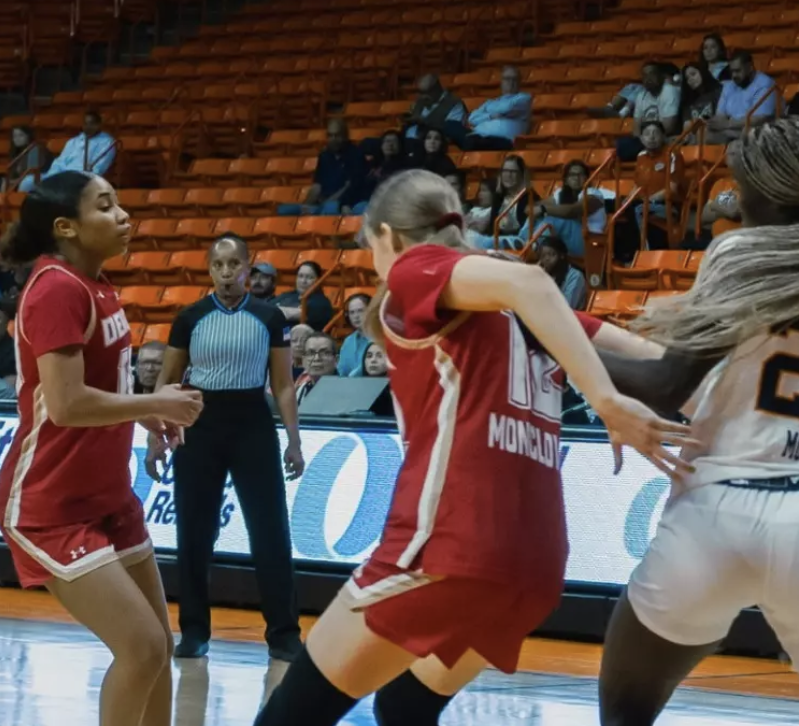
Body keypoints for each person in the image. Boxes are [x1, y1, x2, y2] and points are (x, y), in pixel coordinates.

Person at [251, 168, 684, 726]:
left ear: (388, 235)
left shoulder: (417, 270)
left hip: (448, 544)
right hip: (534, 566)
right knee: (405, 706)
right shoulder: (527, 313)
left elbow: (531, 281)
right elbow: (658, 363)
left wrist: (604, 399)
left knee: (290, 715)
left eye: (371, 247)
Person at [589, 116, 799, 726]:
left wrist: (547, 338)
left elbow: (666, 386)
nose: (734, 202)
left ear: (769, 197)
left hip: (714, 514)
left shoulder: (738, 254)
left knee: (626, 709)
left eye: (741, 190)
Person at [0, 173, 203, 726]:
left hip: (107, 494)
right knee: (142, 648)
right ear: (66, 227)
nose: (123, 216)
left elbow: (105, 385)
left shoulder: (97, 284)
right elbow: (66, 405)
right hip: (51, 505)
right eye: (105, 206)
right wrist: (153, 401)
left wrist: (146, 412)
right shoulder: (57, 289)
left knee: (157, 648)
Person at [152, 234, 305, 660]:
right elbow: (167, 381)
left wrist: (293, 441)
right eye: (218, 265)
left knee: (270, 530)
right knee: (194, 532)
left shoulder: (269, 317)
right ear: (209, 269)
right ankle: (194, 631)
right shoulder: (189, 317)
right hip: (199, 425)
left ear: (247, 268)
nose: (226, 273)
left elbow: (283, 384)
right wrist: (155, 437)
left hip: (253, 423)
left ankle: (284, 634)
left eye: (233, 264)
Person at [448, 66, 532, 150]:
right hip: (479, 137)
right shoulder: (491, 102)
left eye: (514, 79)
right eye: (507, 79)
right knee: (450, 124)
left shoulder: (524, 98)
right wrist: (490, 116)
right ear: (501, 82)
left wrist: (486, 111)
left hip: (504, 141)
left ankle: (466, 142)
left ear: (520, 82)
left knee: (470, 140)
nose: (511, 82)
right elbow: (472, 119)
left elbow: (506, 108)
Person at [43, 111, 117, 181]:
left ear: (99, 125)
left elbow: (98, 169)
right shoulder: (73, 141)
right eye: (85, 124)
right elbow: (59, 163)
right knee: (36, 179)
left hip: (82, 180)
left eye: (92, 123)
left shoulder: (107, 142)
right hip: (61, 176)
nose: (88, 127)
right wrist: (51, 177)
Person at [275, 259, 335, 331]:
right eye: (300, 276)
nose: (303, 281)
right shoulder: (287, 295)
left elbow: (300, 314)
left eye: (309, 277)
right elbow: (268, 307)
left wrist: (275, 311)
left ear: (318, 280)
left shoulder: (321, 302)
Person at [337, 292, 373, 377]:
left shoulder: (382, 339)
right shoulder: (348, 341)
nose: (356, 316)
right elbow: (342, 372)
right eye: (352, 312)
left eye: (360, 311)